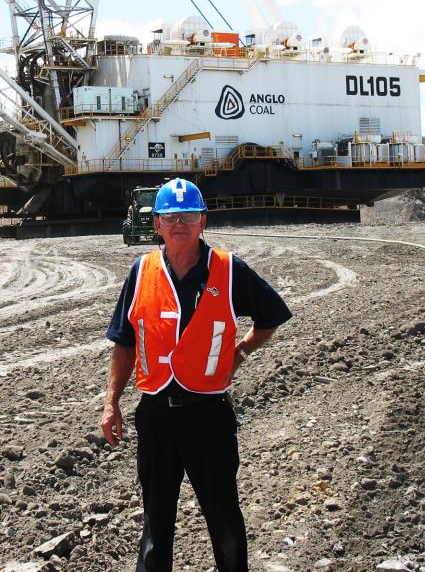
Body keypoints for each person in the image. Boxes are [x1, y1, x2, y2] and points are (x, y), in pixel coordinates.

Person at [99, 178, 292, 572]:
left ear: (203, 221)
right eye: (171, 216)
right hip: (155, 415)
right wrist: (111, 403)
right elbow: (124, 342)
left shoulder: (229, 269)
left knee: (223, 517)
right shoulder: (141, 272)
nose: (179, 224)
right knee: (155, 523)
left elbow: (271, 316)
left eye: (188, 216)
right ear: (156, 224)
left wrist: (240, 352)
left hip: (209, 415)